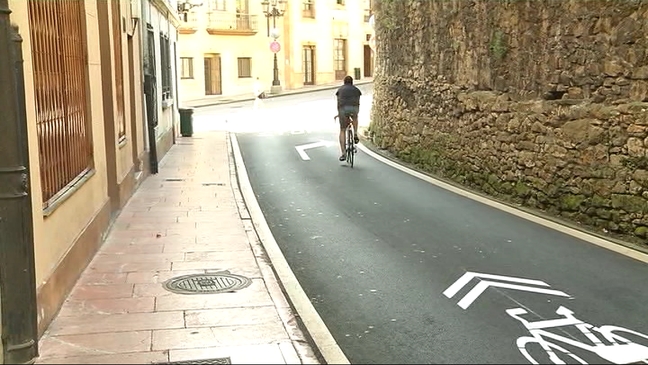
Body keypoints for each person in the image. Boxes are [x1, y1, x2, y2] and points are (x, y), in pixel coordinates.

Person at [335, 75, 362, 161]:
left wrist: (338, 113)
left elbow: (339, 102)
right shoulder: (357, 90)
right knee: (355, 117)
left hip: (343, 109)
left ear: (344, 82)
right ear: (352, 82)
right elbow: (358, 101)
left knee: (342, 129)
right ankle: (355, 134)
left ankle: (343, 153)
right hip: (354, 108)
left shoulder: (340, 90)